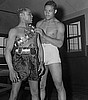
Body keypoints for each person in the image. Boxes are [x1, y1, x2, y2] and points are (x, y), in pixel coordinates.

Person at [5, 8, 44, 100]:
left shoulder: (35, 30)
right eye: (29, 14)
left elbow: (39, 47)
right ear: (21, 15)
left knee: (35, 93)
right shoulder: (14, 30)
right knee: (14, 93)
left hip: (34, 61)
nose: (32, 16)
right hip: (19, 61)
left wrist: (41, 62)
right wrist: (11, 69)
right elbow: (8, 50)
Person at [35, 1, 66, 100]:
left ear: (55, 11)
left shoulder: (59, 25)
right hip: (40, 53)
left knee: (59, 85)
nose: (47, 13)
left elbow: (60, 43)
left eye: (50, 11)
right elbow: (35, 41)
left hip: (52, 53)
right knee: (41, 85)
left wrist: (44, 35)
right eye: (45, 10)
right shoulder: (39, 23)